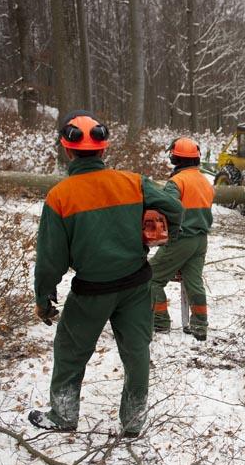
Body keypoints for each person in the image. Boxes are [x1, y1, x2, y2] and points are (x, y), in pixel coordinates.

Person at [29, 111, 183, 437]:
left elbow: (49, 260)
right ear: (103, 149)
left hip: (91, 291)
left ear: (67, 150)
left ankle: (64, 415)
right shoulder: (133, 182)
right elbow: (174, 207)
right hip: (136, 284)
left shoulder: (60, 197)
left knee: (71, 353)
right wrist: (162, 230)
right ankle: (133, 421)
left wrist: (44, 296)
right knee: (137, 352)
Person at [150, 137, 215, 340]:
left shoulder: (176, 182)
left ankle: (159, 322)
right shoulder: (205, 181)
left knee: (150, 278)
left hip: (181, 239)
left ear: (175, 158)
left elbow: (166, 210)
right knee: (193, 282)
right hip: (200, 240)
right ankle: (199, 326)